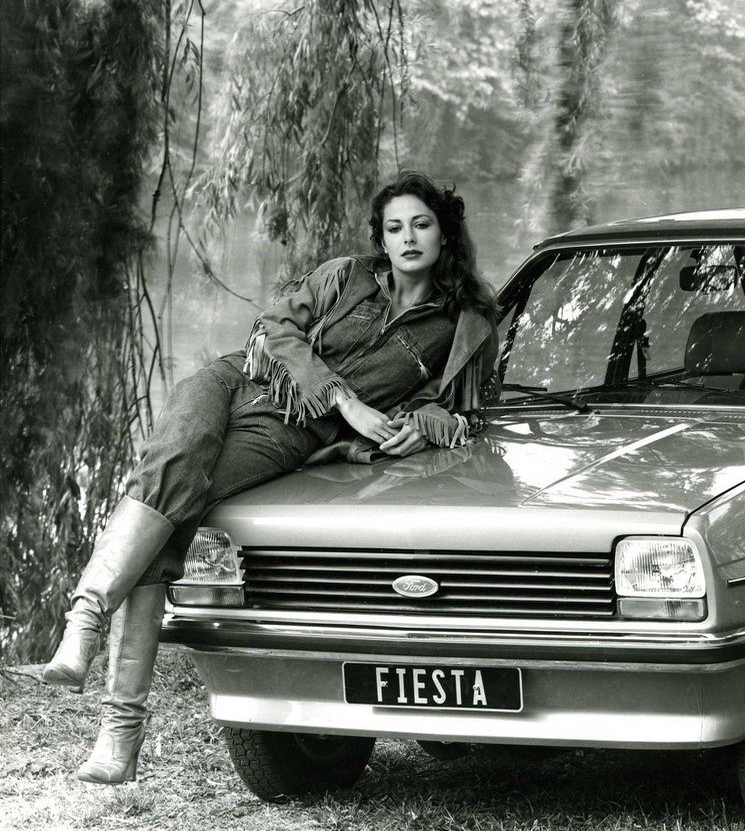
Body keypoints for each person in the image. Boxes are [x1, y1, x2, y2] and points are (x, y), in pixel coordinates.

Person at [41, 170, 498, 784]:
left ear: (445, 233)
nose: (408, 238)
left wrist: (419, 422)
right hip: (233, 381)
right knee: (170, 469)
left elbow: (462, 408)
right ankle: (90, 627)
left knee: (173, 502)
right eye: (395, 228)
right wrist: (344, 399)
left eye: (421, 224)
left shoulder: (463, 324)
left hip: (286, 433)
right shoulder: (346, 277)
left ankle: (112, 707)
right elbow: (274, 326)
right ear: (382, 239)